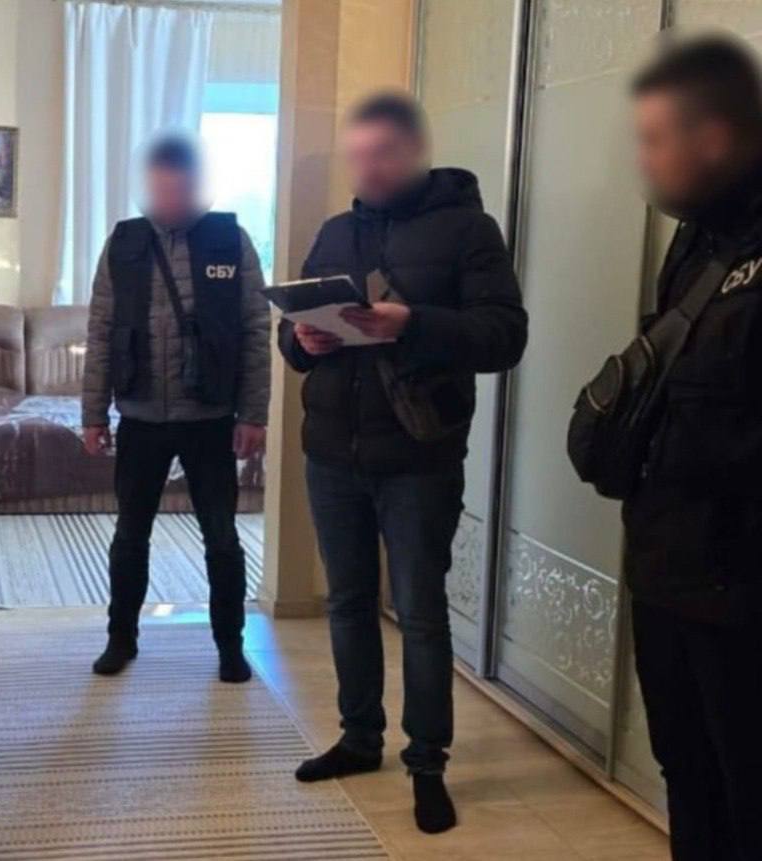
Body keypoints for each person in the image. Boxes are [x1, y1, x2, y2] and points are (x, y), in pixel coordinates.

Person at [279, 93, 526, 834]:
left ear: (417, 151)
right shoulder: (335, 232)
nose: (369, 168)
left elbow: (504, 336)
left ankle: (427, 762)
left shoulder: (469, 230)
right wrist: (302, 342)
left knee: (419, 611)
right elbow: (293, 337)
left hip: (419, 455)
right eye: (358, 155)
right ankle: (360, 738)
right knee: (347, 602)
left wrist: (412, 324)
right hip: (332, 452)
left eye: (383, 152)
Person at [620, 36, 762, 861]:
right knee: (687, 771)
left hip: (741, 586)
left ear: (711, 137)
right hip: (666, 566)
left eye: (654, 139)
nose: (644, 159)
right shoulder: (696, 239)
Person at [81, 133, 271, 683]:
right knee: (129, 536)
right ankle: (121, 638)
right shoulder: (124, 243)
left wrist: (253, 414)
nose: (170, 199)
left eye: (180, 188)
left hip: (210, 419)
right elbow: (100, 331)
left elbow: (256, 330)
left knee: (222, 539)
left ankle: (231, 646)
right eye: (160, 189)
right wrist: (93, 414)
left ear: (197, 187)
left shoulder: (230, 241)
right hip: (140, 417)